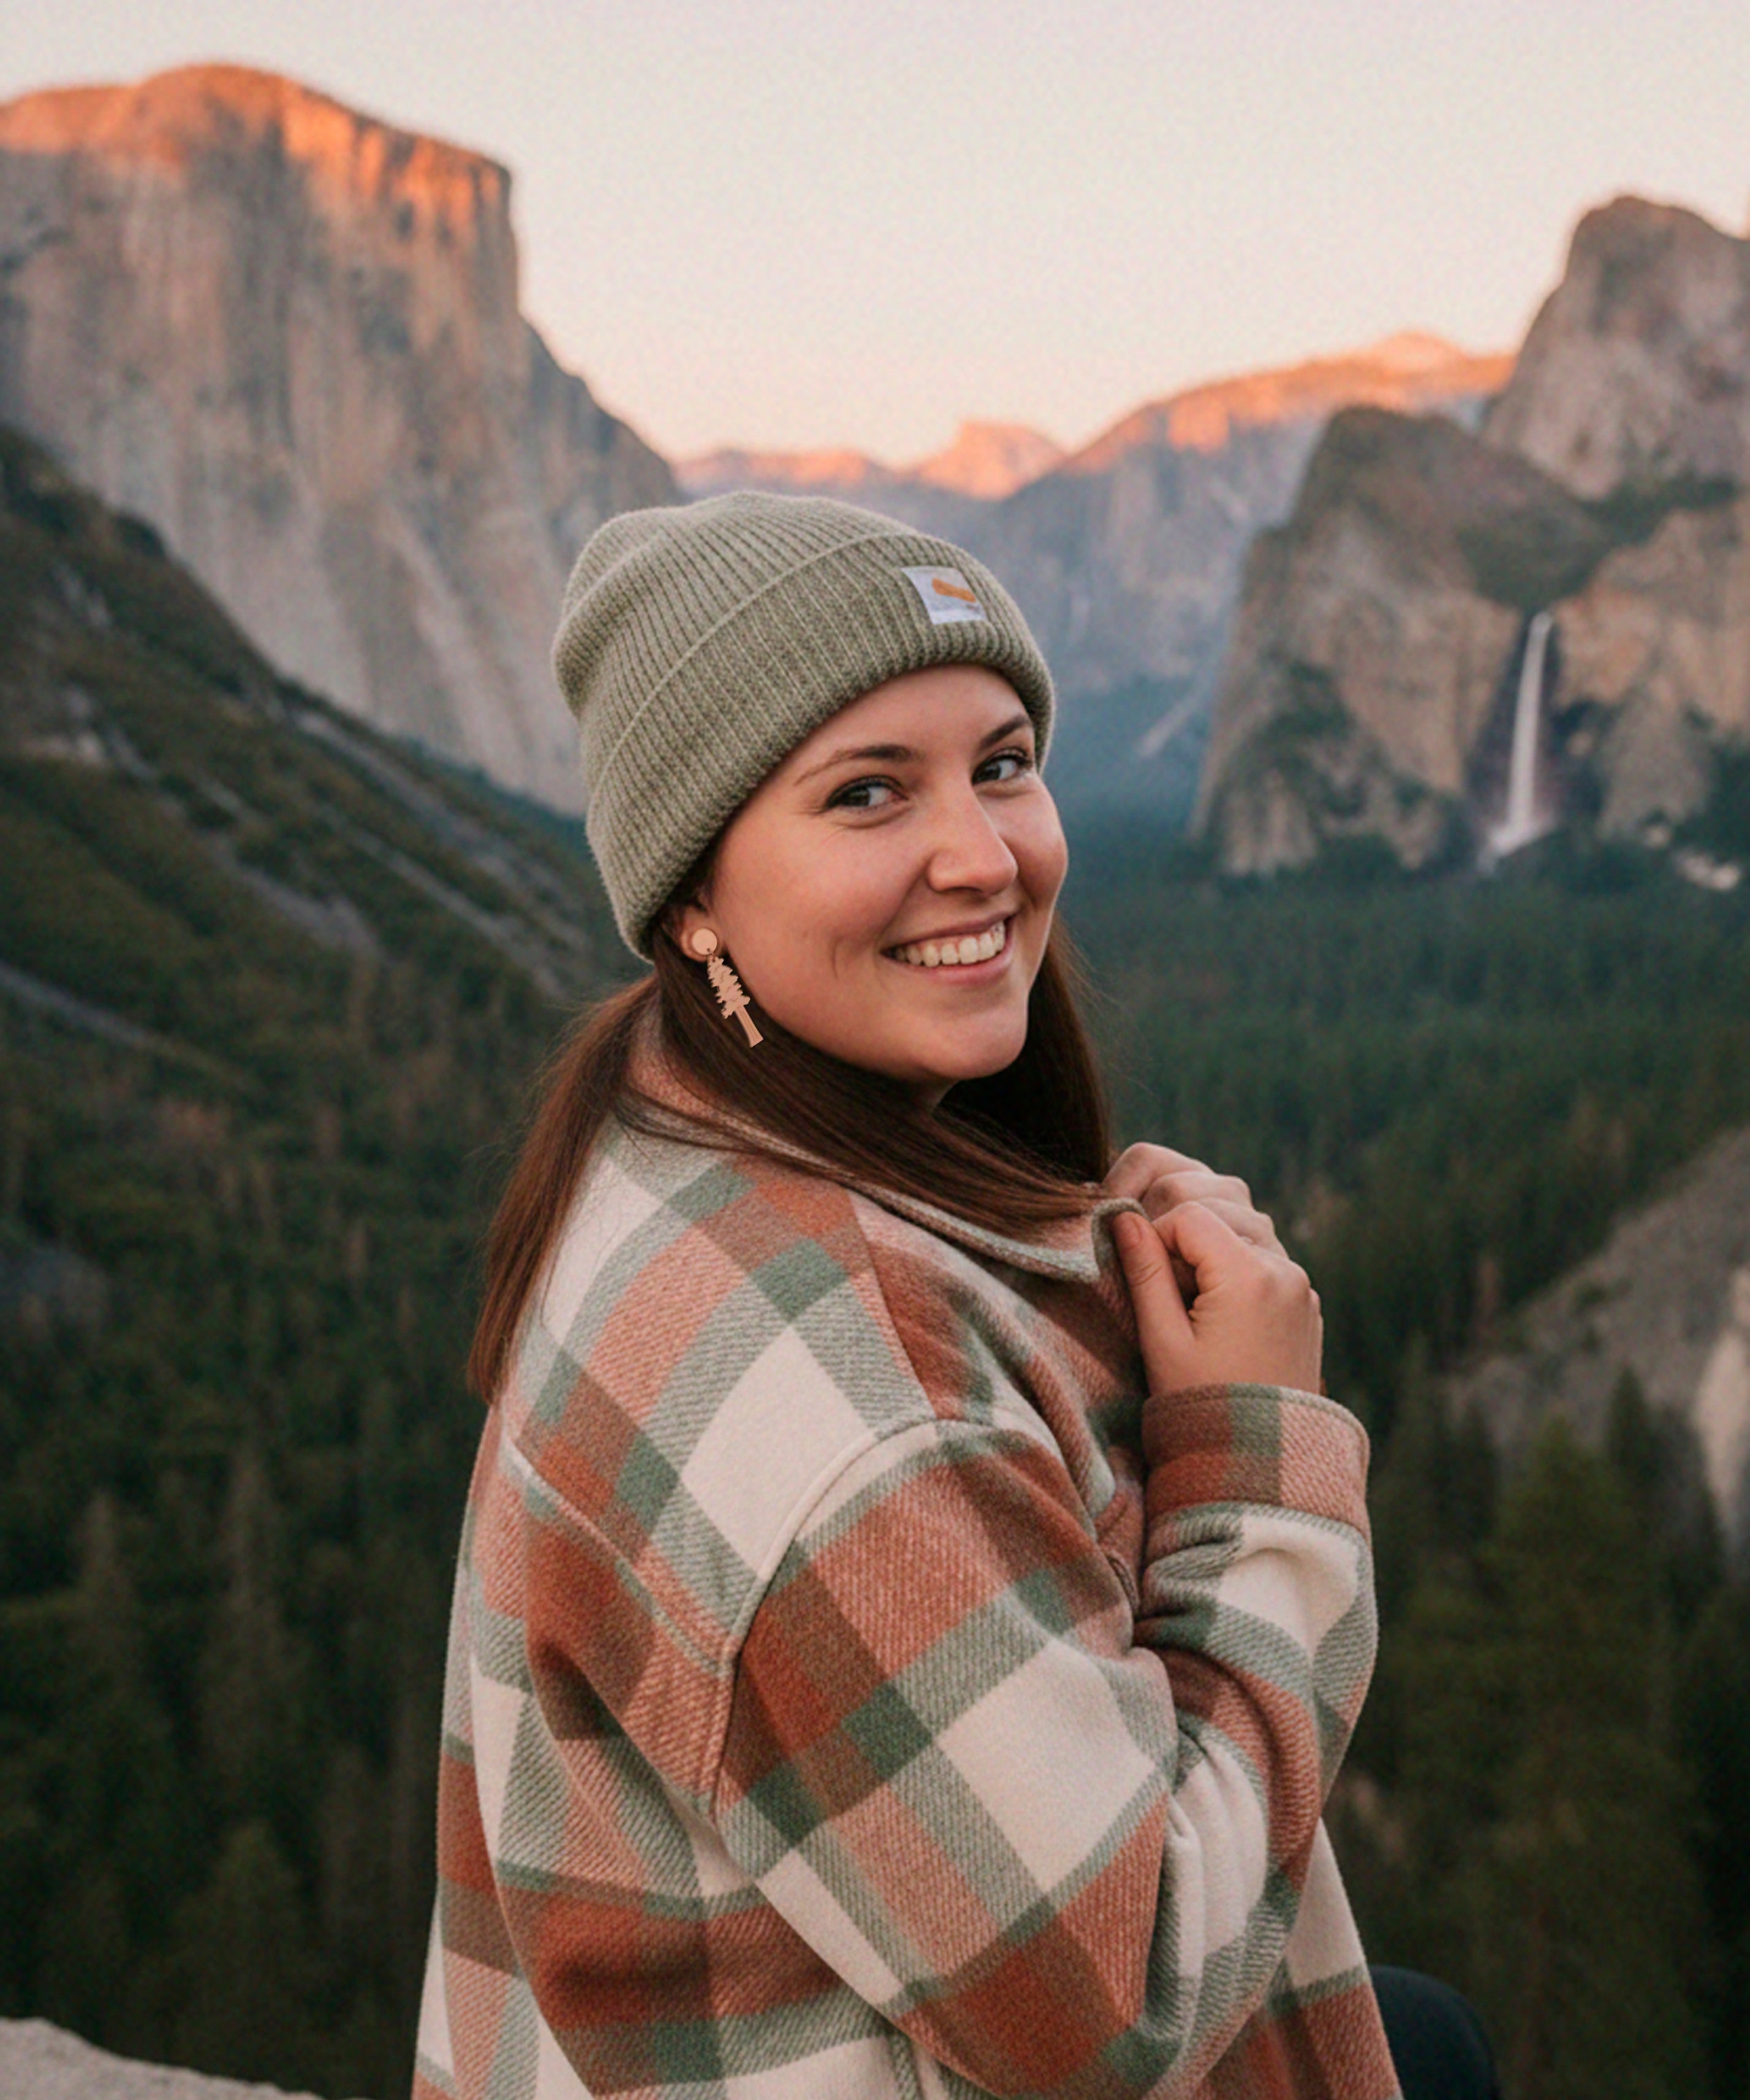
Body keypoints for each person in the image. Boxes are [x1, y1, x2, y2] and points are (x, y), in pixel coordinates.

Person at [413, 495, 1486, 2100]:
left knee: (1423, 2033)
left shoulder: (659, 1123)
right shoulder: (845, 1414)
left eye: (1002, 762)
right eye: (866, 793)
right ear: (690, 893)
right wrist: (1256, 1447)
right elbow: (1127, 2003)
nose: (982, 854)